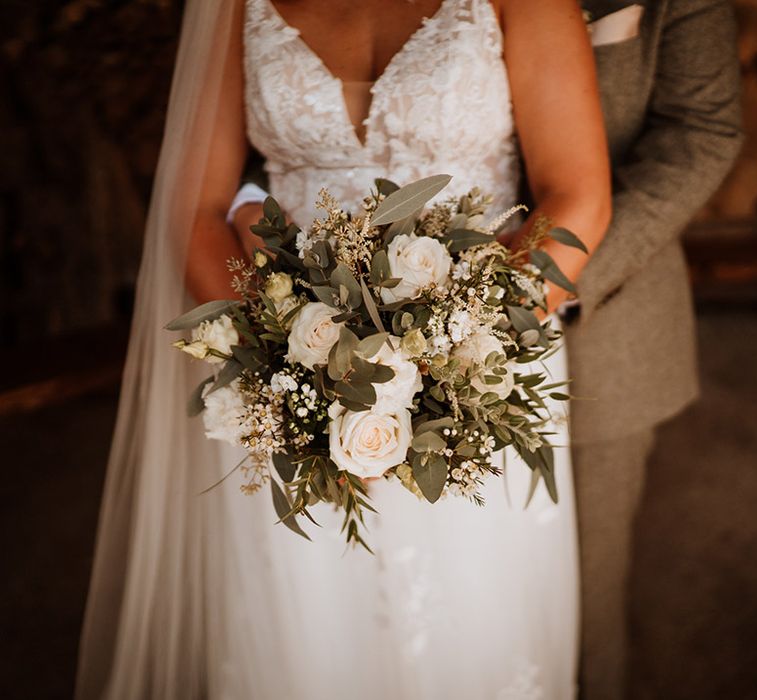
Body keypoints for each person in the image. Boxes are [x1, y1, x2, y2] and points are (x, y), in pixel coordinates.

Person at [76, 1, 611, 698]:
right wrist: (284, 371)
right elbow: (197, 211)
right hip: (291, 372)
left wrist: (451, 363)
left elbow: (577, 196)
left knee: (477, 624)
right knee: (307, 628)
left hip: (478, 372)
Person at [565, 1, 742, 698]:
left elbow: (703, 129)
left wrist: (557, 281)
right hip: (392, 320)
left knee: (585, 602)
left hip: (602, 330)